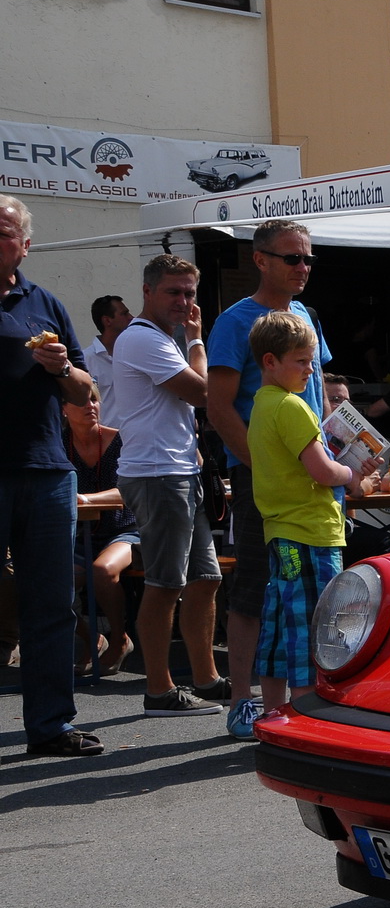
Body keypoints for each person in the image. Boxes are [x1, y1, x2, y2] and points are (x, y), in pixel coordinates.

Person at [206, 218, 330, 740]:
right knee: (257, 588)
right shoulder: (237, 321)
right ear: (260, 260)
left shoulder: (304, 314)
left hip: (315, 480)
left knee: (307, 592)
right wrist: (267, 469)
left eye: (307, 259)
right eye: (291, 259)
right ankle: (242, 702)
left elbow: (322, 394)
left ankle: (307, 702)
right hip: (267, 484)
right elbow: (219, 408)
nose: (302, 268)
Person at [0, 193, 103, 757]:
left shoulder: (44, 304)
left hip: (45, 471)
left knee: (49, 602)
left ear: (25, 245)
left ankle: (49, 726)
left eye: (5, 231)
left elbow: (87, 391)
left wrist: (63, 366)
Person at [108, 254, 227, 718]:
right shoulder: (141, 338)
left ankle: (206, 678)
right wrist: (197, 340)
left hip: (178, 471)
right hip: (158, 474)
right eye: (173, 292)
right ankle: (158, 690)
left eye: (190, 293)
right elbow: (202, 393)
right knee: (165, 584)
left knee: (207, 578)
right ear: (148, 291)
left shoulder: (159, 338)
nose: (183, 301)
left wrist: (191, 340)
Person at [246, 311, 380, 712]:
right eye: (302, 361)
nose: (310, 370)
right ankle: (306, 709)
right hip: (312, 533)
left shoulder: (262, 404)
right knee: (315, 625)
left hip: (281, 532)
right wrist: (352, 472)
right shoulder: (293, 407)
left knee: (278, 622)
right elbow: (323, 471)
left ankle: (272, 709)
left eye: (312, 360)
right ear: (271, 361)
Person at [63, 384, 138, 674]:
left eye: (94, 399)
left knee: (103, 571)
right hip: (79, 537)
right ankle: (91, 638)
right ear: (63, 409)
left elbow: (129, 492)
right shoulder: (59, 444)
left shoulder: (118, 441)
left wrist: (84, 498)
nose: (90, 406)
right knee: (49, 580)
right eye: (82, 401)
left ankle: (120, 639)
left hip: (125, 530)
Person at [85, 294, 132, 397]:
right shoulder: (86, 360)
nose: (131, 318)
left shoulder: (134, 354)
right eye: (124, 314)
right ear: (107, 320)